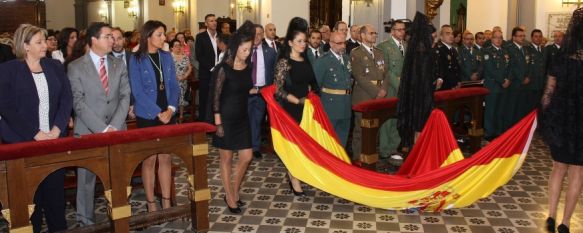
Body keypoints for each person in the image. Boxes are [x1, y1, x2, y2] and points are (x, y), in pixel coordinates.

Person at [0, 24, 72, 233]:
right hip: (23, 143)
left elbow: (66, 98)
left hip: (53, 141)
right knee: (31, 200)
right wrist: (35, 133)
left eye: (44, 40)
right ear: (25, 46)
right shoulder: (8, 70)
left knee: (55, 199)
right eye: (39, 42)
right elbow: (7, 108)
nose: (45, 45)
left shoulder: (54, 66)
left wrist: (57, 128)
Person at [68, 22, 130, 226]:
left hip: (117, 128)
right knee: (86, 179)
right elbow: (78, 102)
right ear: (94, 40)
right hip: (88, 130)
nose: (112, 40)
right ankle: (86, 220)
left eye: (113, 36)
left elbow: (124, 95)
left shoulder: (118, 64)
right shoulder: (76, 66)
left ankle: (120, 215)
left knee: (117, 176)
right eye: (107, 36)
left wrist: (114, 125)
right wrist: (102, 129)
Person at [129, 20, 179, 212]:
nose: (164, 38)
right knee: (149, 159)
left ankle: (166, 201)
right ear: (148, 36)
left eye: (163, 34)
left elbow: (173, 85)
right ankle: (151, 204)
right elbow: (138, 91)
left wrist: (171, 109)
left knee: (166, 158)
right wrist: (159, 112)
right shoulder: (136, 58)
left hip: (168, 112)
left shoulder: (166, 56)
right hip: (148, 114)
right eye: (159, 34)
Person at [542, 8, 583, 233]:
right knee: (578, 171)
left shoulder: (559, 57)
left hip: (562, 120)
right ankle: (565, 222)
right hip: (581, 124)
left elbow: (548, 93)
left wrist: (545, 118)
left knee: (558, 167)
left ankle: (550, 214)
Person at [210, 21, 256, 214]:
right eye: (245, 49)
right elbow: (216, 97)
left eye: (250, 49)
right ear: (236, 47)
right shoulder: (224, 69)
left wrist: (263, 91)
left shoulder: (248, 66)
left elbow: (246, 89)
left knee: (247, 156)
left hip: (242, 118)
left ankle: (234, 190)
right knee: (226, 158)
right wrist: (218, 122)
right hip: (225, 119)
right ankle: (230, 196)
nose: (247, 53)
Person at [274, 17, 317, 197]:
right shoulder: (284, 62)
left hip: (305, 108)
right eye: (299, 41)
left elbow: (309, 83)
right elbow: (278, 90)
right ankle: (294, 179)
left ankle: (295, 174)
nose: (303, 44)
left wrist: (311, 93)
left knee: (304, 146)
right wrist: (296, 101)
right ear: (290, 42)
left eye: (304, 41)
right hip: (290, 108)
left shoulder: (305, 60)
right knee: (294, 146)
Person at [397, 12, 441, 149]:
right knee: (420, 124)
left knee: (419, 125)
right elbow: (422, 75)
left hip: (419, 93)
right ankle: (419, 152)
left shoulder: (418, 47)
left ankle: (418, 150)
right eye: (432, 36)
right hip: (420, 95)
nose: (433, 38)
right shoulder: (421, 49)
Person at [350, 24, 389, 161]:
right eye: (371, 33)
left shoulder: (379, 52)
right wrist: (377, 92)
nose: (374, 35)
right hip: (364, 96)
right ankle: (357, 158)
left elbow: (386, 73)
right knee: (361, 130)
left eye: (375, 33)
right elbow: (359, 76)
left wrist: (384, 89)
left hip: (379, 96)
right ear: (363, 35)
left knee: (375, 128)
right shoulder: (356, 53)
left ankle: (371, 157)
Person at [313, 32, 352, 147]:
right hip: (330, 106)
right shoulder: (323, 61)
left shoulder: (346, 58)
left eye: (344, 43)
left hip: (346, 103)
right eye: (339, 43)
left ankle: (340, 160)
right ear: (331, 44)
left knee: (343, 136)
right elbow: (316, 86)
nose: (343, 46)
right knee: (329, 138)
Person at [377, 19, 407, 161]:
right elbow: (386, 70)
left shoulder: (406, 46)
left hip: (404, 87)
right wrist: (399, 84)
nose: (402, 32)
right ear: (392, 31)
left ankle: (394, 147)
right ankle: (384, 149)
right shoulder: (384, 46)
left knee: (398, 118)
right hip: (390, 87)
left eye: (403, 29)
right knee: (387, 119)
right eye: (399, 29)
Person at [248, 24, 277, 159]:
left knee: (257, 120)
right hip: (245, 92)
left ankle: (255, 147)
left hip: (261, 92)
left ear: (263, 35)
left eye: (259, 34)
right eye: (254, 34)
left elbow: (274, 73)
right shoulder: (243, 51)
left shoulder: (270, 52)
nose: (257, 36)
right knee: (245, 120)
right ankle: (244, 146)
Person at [482, 30, 510, 141]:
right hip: (493, 85)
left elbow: (510, 67)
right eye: (496, 37)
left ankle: (498, 131)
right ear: (492, 39)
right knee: (491, 110)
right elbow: (491, 69)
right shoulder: (487, 52)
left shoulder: (505, 52)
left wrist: (508, 79)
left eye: (500, 38)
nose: (498, 40)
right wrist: (502, 80)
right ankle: (489, 132)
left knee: (500, 110)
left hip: (504, 85)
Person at [502, 27, 530, 131]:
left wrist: (528, 76)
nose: (522, 38)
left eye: (523, 36)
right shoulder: (509, 48)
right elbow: (511, 66)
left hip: (524, 83)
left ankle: (518, 129)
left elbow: (529, 65)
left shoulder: (525, 48)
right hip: (514, 83)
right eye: (520, 36)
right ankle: (509, 129)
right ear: (514, 37)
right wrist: (521, 78)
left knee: (520, 107)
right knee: (511, 107)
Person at [195, 14, 218, 121]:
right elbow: (199, 56)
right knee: (205, 99)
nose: (214, 22)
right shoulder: (200, 37)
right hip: (206, 73)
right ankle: (203, 124)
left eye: (215, 20)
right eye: (211, 21)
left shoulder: (220, 36)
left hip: (220, 73)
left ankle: (216, 123)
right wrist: (212, 68)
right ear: (206, 23)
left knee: (217, 99)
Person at [170, 38, 193, 121]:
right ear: (171, 48)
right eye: (175, 46)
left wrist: (185, 76)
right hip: (172, 81)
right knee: (173, 97)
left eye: (179, 45)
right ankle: (172, 114)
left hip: (183, 81)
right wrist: (174, 77)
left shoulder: (185, 57)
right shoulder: (169, 57)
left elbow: (189, 68)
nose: (178, 47)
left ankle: (181, 116)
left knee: (182, 98)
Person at [524, 29, 545, 112]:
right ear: (532, 38)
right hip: (531, 84)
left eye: (540, 36)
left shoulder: (544, 49)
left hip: (542, 84)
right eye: (536, 36)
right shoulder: (526, 49)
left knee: (540, 108)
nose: (538, 38)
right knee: (530, 108)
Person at [435, 24, 461, 90]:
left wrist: (458, 81)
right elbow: (441, 70)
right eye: (447, 34)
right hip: (444, 86)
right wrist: (451, 85)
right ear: (441, 36)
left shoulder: (454, 50)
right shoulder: (438, 50)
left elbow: (457, 68)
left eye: (452, 34)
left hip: (455, 85)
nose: (451, 36)